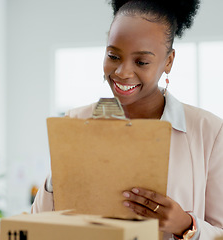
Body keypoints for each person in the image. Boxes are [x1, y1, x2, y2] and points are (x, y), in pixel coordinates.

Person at [31, 0, 223, 239]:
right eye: (113, 56)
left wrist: (186, 225)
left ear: (168, 61)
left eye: (141, 62)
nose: (122, 72)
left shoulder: (209, 131)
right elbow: (39, 226)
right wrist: (59, 175)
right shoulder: (77, 120)